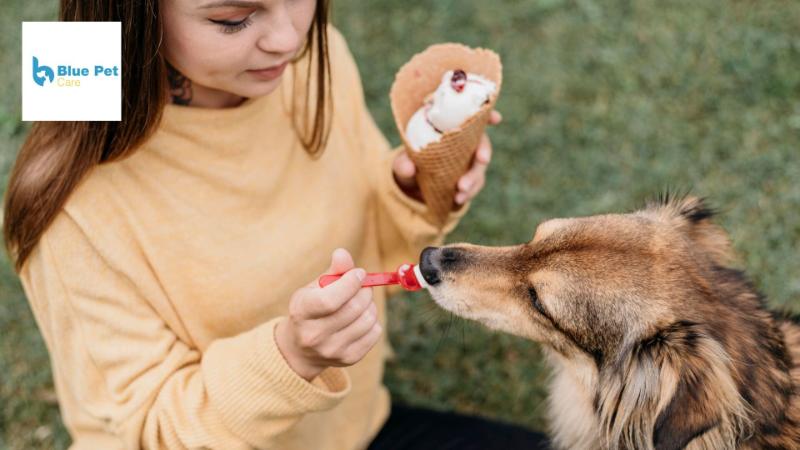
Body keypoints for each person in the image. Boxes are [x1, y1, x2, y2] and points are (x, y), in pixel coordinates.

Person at [3, 0, 550, 448]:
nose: (288, 38)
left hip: (353, 433)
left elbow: (367, 241)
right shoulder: (71, 205)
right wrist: (293, 357)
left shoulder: (309, 62)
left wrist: (411, 190)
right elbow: (152, 431)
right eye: (233, 19)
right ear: (132, 14)